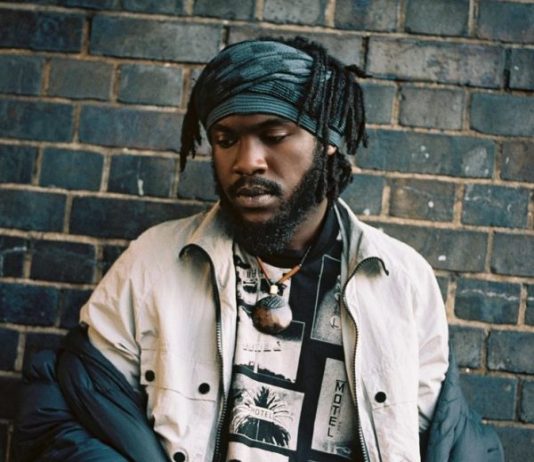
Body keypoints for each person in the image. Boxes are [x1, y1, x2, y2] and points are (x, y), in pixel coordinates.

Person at [14, 37, 503, 462]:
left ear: (328, 142)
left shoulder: (401, 279)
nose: (246, 161)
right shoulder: (153, 263)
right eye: (225, 139)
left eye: (274, 135)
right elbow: (62, 412)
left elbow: (444, 439)